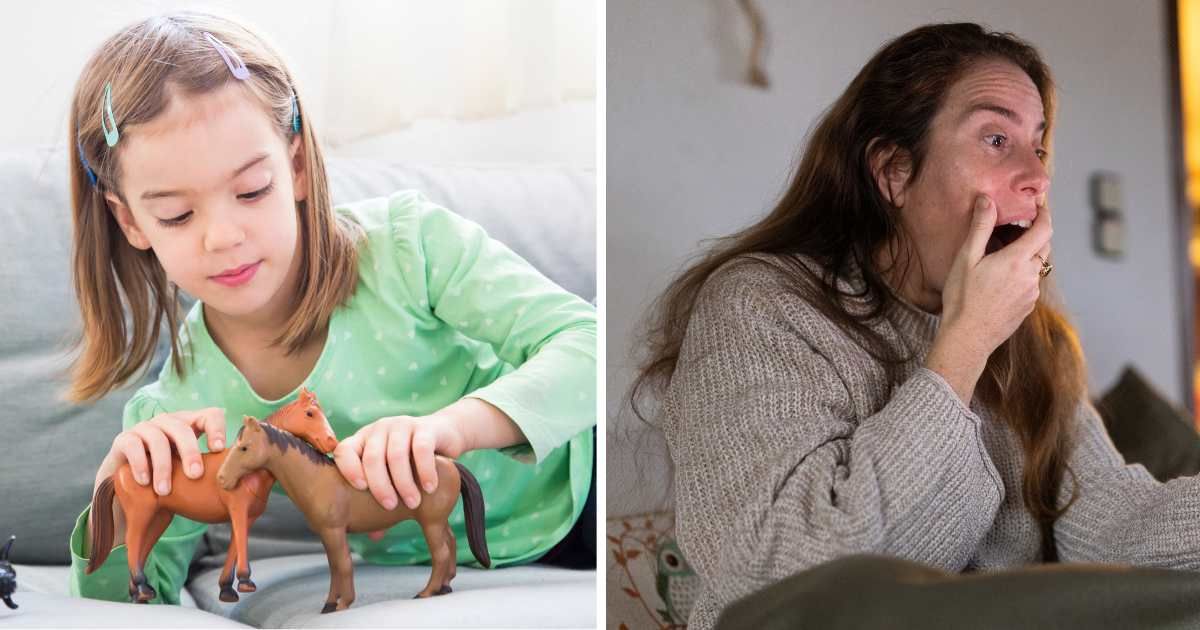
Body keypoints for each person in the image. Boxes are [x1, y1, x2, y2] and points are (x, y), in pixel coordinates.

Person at [630, 22, 1199, 629]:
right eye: (995, 139)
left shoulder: (1036, 344)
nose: (1035, 176)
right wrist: (965, 345)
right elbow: (787, 580)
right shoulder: (759, 304)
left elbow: (1115, 529)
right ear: (895, 172)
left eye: (1039, 146)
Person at [65, 10, 596, 604]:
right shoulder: (179, 410)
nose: (223, 236)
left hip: (587, 487)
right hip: (442, 560)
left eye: (251, 191)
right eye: (177, 215)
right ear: (130, 219)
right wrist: (110, 491)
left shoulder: (408, 245)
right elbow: (128, 600)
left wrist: (450, 428)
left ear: (294, 165)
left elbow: (590, 344)